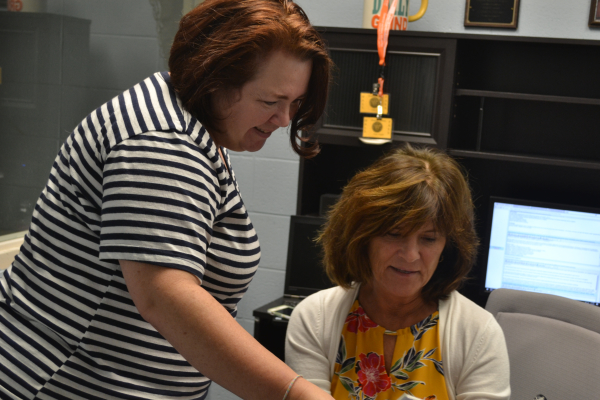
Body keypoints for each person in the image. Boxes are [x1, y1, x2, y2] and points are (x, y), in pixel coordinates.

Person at [0, 1, 335, 399]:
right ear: (216, 79)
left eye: (294, 103)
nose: (283, 119)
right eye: (270, 102)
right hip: (58, 383)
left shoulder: (199, 125)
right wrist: (294, 393)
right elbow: (166, 296)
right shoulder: (162, 142)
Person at [286, 145, 511, 400]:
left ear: (447, 247)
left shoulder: (478, 334)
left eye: (428, 239)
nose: (410, 255)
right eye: (394, 234)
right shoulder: (315, 318)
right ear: (362, 237)